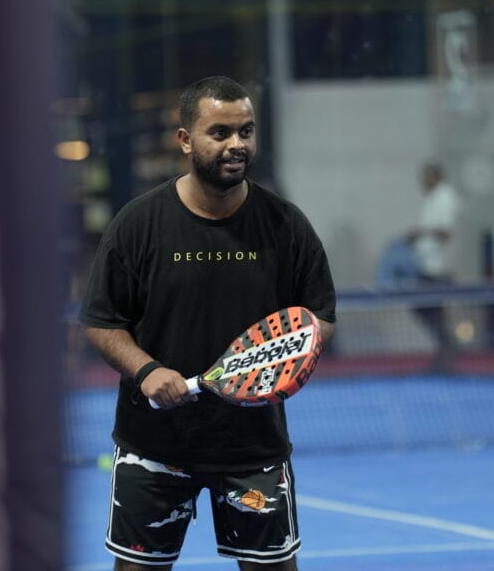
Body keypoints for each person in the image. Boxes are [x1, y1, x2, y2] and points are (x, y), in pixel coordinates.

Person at [80, 76, 337, 571]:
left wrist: (288, 352)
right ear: (185, 140)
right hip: (152, 448)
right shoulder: (138, 224)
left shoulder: (286, 224)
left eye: (246, 131)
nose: (236, 144)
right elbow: (100, 322)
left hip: (252, 449)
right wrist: (147, 370)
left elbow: (320, 316)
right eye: (219, 132)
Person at [407, 162, 460, 369]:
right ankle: (445, 351)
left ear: (435, 176)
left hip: (439, 269)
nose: (422, 182)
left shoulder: (446, 198)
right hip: (427, 266)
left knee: (428, 308)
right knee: (430, 310)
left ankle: (447, 350)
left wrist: (420, 233)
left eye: (425, 177)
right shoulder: (432, 198)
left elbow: (444, 232)